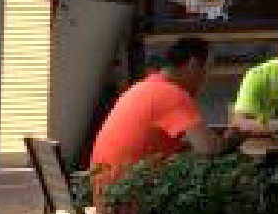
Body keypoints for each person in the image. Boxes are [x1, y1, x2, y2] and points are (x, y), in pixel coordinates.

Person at [88, 38, 223, 199]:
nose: (207, 80)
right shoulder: (173, 94)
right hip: (128, 201)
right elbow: (208, 149)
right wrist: (230, 140)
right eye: (208, 70)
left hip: (106, 194)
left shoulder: (145, 86)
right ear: (193, 65)